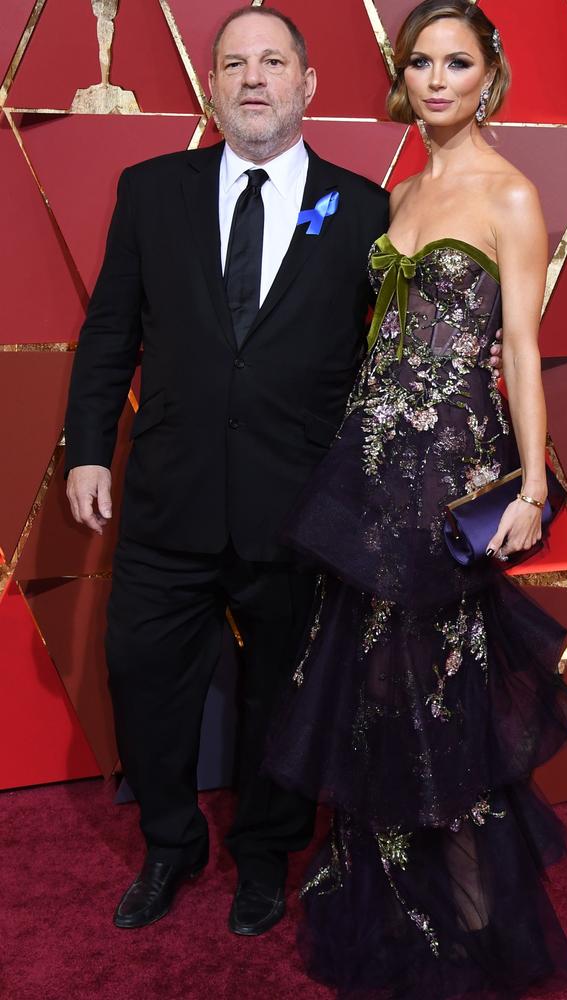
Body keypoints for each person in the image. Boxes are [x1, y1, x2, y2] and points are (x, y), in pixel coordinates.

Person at [64, 5, 505, 937]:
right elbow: (109, 333)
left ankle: (264, 858)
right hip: (166, 499)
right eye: (234, 63)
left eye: (273, 63)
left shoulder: (365, 211)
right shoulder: (149, 191)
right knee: (142, 672)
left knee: (281, 693)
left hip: (301, 508)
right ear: (211, 84)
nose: (253, 78)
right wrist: (90, 450)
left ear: (309, 85)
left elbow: (388, 364)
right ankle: (170, 845)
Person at [265, 1, 567, 996]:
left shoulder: (510, 195)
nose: (434, 79)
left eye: (454, 62)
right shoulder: (399, 193)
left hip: (449, 477)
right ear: (401, 76)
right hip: (367, 478)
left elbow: (519, 352)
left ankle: (477, 932)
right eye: (418, 63)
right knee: (375, 701)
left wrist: (529, 485)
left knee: (444, 701)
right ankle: (398, 909)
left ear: (487, 75)